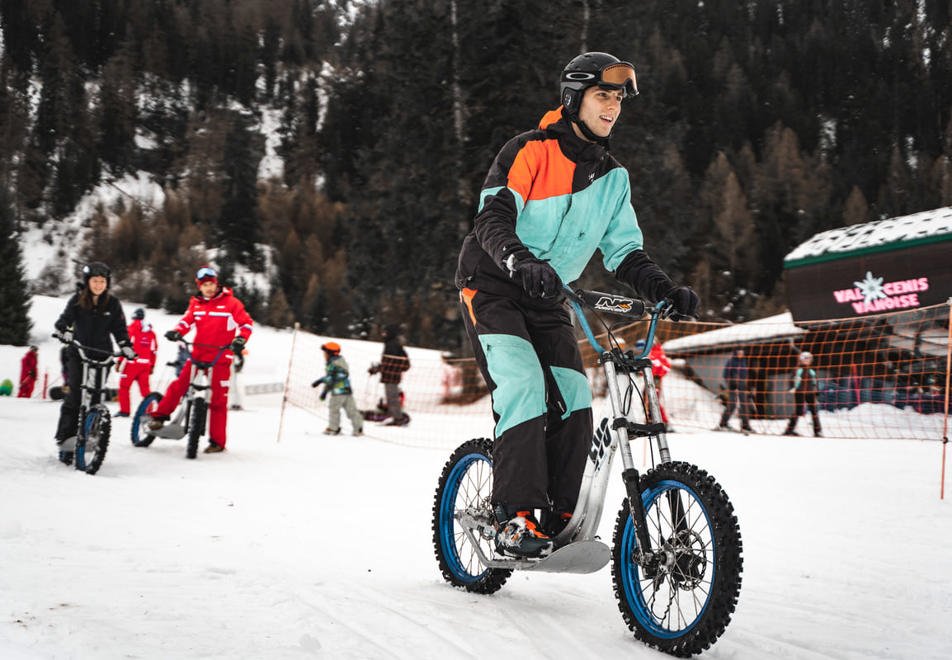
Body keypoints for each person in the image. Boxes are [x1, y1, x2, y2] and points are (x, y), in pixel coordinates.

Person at [454, 52, 698, 557]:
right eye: (603, 95)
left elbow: (625, 252)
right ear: (573, 98)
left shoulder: (613, 178)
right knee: (524, 385)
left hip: (550, 296)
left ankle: (561, 519)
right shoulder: (529, 151)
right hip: (493, 285)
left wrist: (663, 290)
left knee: (576, 396)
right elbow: (491, 219)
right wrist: (519, 259)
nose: (613, 106)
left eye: (618, 99)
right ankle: (513, 518)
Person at [148, 266, 253, 454]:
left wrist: (240, 339)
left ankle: (217, 442)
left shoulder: (231, 303)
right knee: (180, 385)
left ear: (216, 283)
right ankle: (159, 416)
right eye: (205, 285)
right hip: (198, 355)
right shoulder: (196, 303)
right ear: (200, 286)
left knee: (218, 400)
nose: (209, 288)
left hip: (221, 357)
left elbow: (246, 323)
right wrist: (177, 332)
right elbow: (187, 321)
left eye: (211, 284)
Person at [53, 262, 137, 451]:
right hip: (79, 352)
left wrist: (125, 346)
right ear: (87, 282)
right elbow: (63, 321)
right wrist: (63, 331)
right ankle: (66, 437)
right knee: (76, 394)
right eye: (95, 281)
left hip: (103, 355)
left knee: (97, 397)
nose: (98, 285)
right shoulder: (77, 300)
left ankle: (93, 434)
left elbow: (120, 329)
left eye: (102, 281)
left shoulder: (113, 303)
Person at [311, 341, 363, 436]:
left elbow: (330, 379)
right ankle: (358, 428)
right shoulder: (341, 362)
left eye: (325, 353)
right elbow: (335, 377)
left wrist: (323, 390)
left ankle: (333, 428)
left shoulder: (333, 364)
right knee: (351, 410)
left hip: (338, 392)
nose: (324, 355)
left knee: (334, 409)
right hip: (347, 391)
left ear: (330, 354)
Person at [115, 308, 157, 417]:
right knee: (145, 389)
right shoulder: (151, 333)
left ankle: (125, 411)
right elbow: (154, 350)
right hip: (145, 364)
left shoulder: (131, 328)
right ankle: (149, 411)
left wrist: (119, 362)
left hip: (132, 364)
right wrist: (152, 365)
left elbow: (126, 347)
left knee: (124, 387)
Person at [368, 323, 410, 426]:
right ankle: (394, 416)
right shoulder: (392, 343)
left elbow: (390, 363)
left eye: (384, 332)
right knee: (391, 397)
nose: (382, 334)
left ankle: (397, 419)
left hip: (392, 376)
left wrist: (377, 369)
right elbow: (389, 363)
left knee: (392, 397)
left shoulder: (391, 345)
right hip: (391, 376)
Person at [634, 338, 672, 429]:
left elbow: (666, 367)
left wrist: (658, 373)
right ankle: (651, 419)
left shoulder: (658, 352)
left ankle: (662, 421)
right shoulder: (648, 352)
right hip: (648, 379)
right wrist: (640, 371)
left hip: (655, 379)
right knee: (645, 398)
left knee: (654, 400)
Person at [784, 351, 822, 437]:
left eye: (808, 359)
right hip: (799, 392)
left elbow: (815, 381)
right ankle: (789, 429)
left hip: (810, 393)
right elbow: (792, 379)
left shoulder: (811, 371)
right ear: (800, 360)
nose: (806, 361)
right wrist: (792, 387)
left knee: (814, 411)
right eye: (804, 359)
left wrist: (816, 392)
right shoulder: (798, 370)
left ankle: (817, 431)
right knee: (798, 411)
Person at [717, 348, 753, 433]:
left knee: (744, 405)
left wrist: (746, 385)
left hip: (742, 385)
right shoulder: (731, 361)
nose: (741, 354)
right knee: (732, 404)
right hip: (732, 385)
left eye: (742, 352)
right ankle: (723, 423)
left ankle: (745, 426)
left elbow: (745, 374)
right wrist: (732, 384)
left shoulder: (744, 361)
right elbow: (725, 374)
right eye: (739, 352)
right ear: (736, 353)